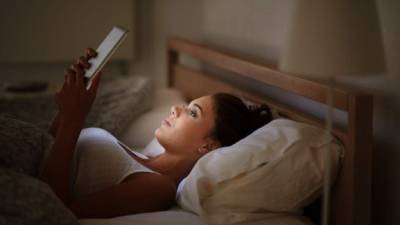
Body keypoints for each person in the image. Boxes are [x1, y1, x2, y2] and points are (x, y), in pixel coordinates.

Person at [40, 48, 272, 219]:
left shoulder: (158, 188)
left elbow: (55, 209)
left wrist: (73, 118)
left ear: (208, 146)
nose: (175, 108)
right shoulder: (138, 156)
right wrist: (69, 105)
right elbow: (50, 144)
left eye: (192, 113)